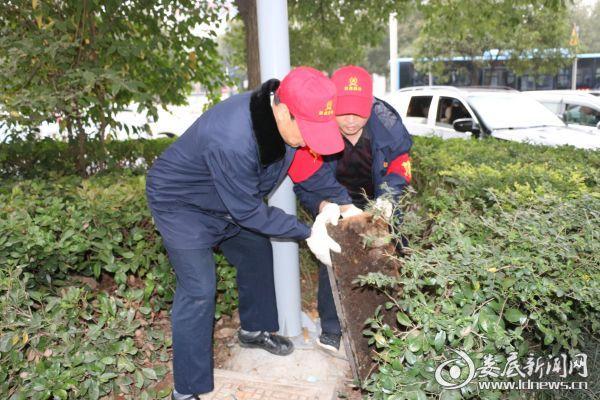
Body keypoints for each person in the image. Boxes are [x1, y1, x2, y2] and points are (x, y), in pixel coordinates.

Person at [146, 67, 354, 400]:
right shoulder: (232, 136)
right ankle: (185, 391)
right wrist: (307, 232)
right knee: (199, 288)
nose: (310, 141)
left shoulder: (286, 127)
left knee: (257, 251)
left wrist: (346, 206)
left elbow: (310, 175)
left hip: (226, 198)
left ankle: (253, 330)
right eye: (309, 132)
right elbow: (247, 211)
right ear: (284, 112)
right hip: (182, 204)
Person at [291, 65, 413, 354]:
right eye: (343, 113)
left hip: (378, 200)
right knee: (332, 255)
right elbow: (305, 179)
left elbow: (401, 163)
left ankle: (394, 324)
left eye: (358, 113)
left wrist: (388, 199)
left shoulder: (387, 123)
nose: (350, 121)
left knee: (391, 256)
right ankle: (332, 328)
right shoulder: (316, 125)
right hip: (334, 201)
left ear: (370, 106)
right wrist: (324, 206)